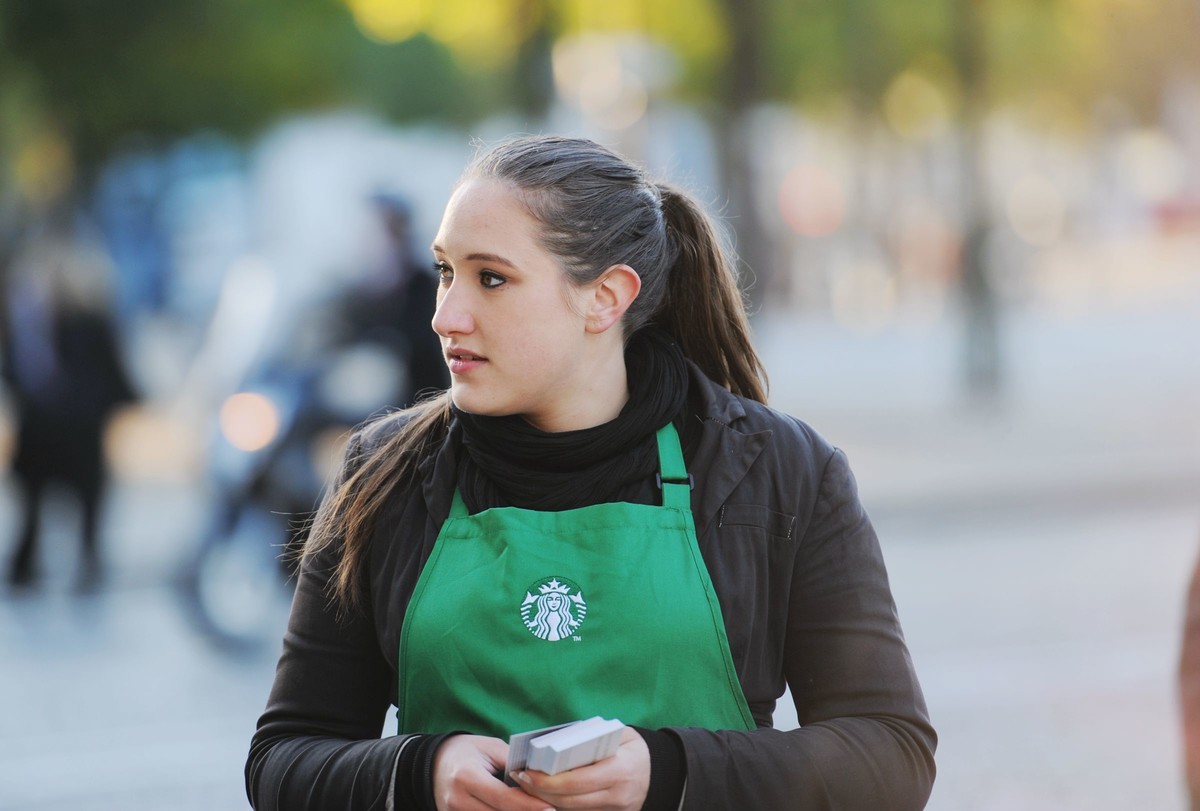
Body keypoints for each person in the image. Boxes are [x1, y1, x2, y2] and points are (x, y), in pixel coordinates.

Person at [246, 135, 936, 810]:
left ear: (605, 297)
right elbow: (284, 759)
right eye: (445, 272)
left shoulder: (777, 473)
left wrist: (667, 772)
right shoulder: (383, 475)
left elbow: (890, 755)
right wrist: (423, 769)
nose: (447, 315)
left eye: (492, 278)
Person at [3, 229, 137, 591]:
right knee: (86, 505)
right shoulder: (85, 323)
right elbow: (116, 375)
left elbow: (15, 373)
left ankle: (25, 567)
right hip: (79, 432)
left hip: (41, 431)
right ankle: (83, 565)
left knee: (33, 508)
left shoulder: (35, 325)